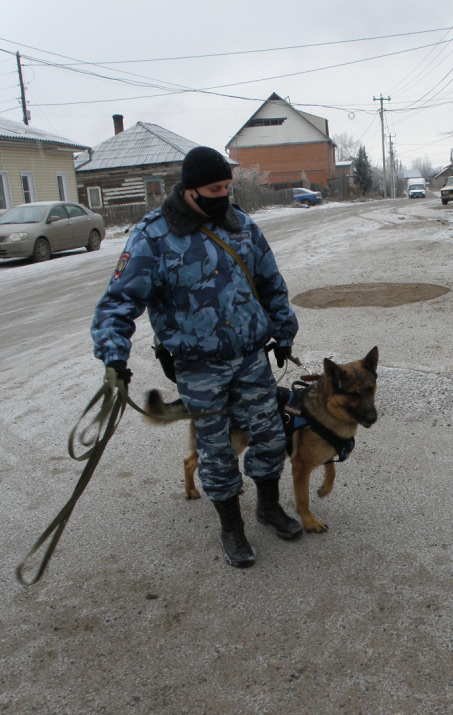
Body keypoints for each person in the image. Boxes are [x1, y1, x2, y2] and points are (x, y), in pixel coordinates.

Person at [90, 146, 301, 569]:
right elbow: (117, 303)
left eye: (227, 186)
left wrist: (283, 332)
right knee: (217, 450)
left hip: (250, 356)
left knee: (272, 435)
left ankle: (267, 506)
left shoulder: (240, 224)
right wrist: (114, 357)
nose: (223, 195)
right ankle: (231, 527)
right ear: (189, 190)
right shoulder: (152, 237)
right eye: (213, 188)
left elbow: (271, 281)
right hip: (198, 366)